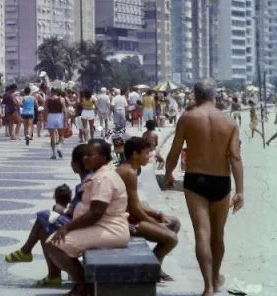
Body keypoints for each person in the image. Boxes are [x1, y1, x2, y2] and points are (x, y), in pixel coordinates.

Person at [165, 79, 244, 296]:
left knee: (202, 233)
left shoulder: (188, 118)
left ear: (195, 96)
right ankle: (216, 278)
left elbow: (175, 150)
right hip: (222, 181)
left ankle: (208, 286)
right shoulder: (229, 122)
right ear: (215, 95)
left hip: (196, 180)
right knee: (218, 235)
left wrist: (168, 173)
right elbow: (235, 158)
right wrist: (240, 191)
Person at [44, 139, 130, 296]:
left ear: (103, 158)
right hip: (103, 227)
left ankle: (83, 285)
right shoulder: (101, 174)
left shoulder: (103, 178)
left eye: (90, 155)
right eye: (85, 155)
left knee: (53, 244)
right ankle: (83, 285)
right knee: (55, 241)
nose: (86, 158)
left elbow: (95, 213)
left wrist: (67, 227)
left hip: (109, 229)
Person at [4, 144, 90, 287]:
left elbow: (83, 213)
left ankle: (26, 251)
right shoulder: (87, 182)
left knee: (44, 216)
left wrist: (61, 211)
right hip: (84, 224)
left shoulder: (87, 183)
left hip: (84, 228)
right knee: (45, 228)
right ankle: (52, 276)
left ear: (74, 165)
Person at [116, 137, 180, 281]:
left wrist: (158, 213)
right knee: (171, 239)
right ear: (135, 154)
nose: (149, 156)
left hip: (129, 215)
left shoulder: (132, 169)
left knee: (174, 222)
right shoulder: (129, 172)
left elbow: (136, 203)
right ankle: (150, 269)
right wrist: (154, 223)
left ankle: (155, 266)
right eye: (146, 153)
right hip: (123, 222)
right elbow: (134, 209)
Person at [44, 88, 66, 159]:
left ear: (52, 91)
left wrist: (45, 120)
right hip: (59, 116)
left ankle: (53, 154)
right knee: (61, 135)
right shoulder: (61, 99)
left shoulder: (48, 99)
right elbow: (64, 110)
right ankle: (59, 147)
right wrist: (65, 120)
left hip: (50, 116)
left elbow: (45, 110)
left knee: (52, 136)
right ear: (57, 92)